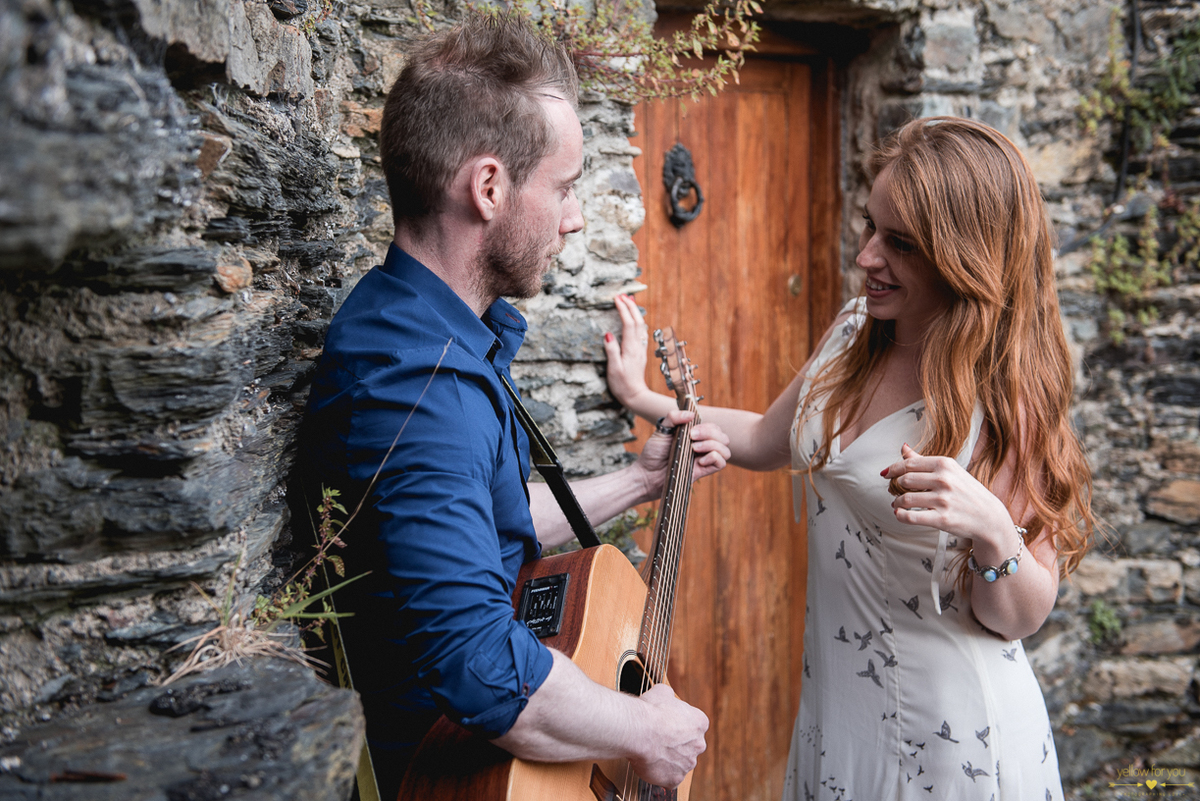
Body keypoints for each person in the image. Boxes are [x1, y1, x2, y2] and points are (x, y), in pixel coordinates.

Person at [297, 12, 731, 800]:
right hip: (451, 772)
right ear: (489, 187)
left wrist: (639, 479)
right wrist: (647, 730)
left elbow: (483, 519)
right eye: (563, 188)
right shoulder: (420, 385)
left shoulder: (426, 330)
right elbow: (478, 663)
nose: (574, 218)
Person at [604, 116, 1094, 800]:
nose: (866, 256)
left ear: (965, 256)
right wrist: (641, 395)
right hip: (840, 715)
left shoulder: (1004, 397)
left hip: (952, 740)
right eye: (871, 227)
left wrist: (993, 529)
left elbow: (1018, 615)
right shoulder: (855, 332)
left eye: (899, 243)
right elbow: (760, 440)